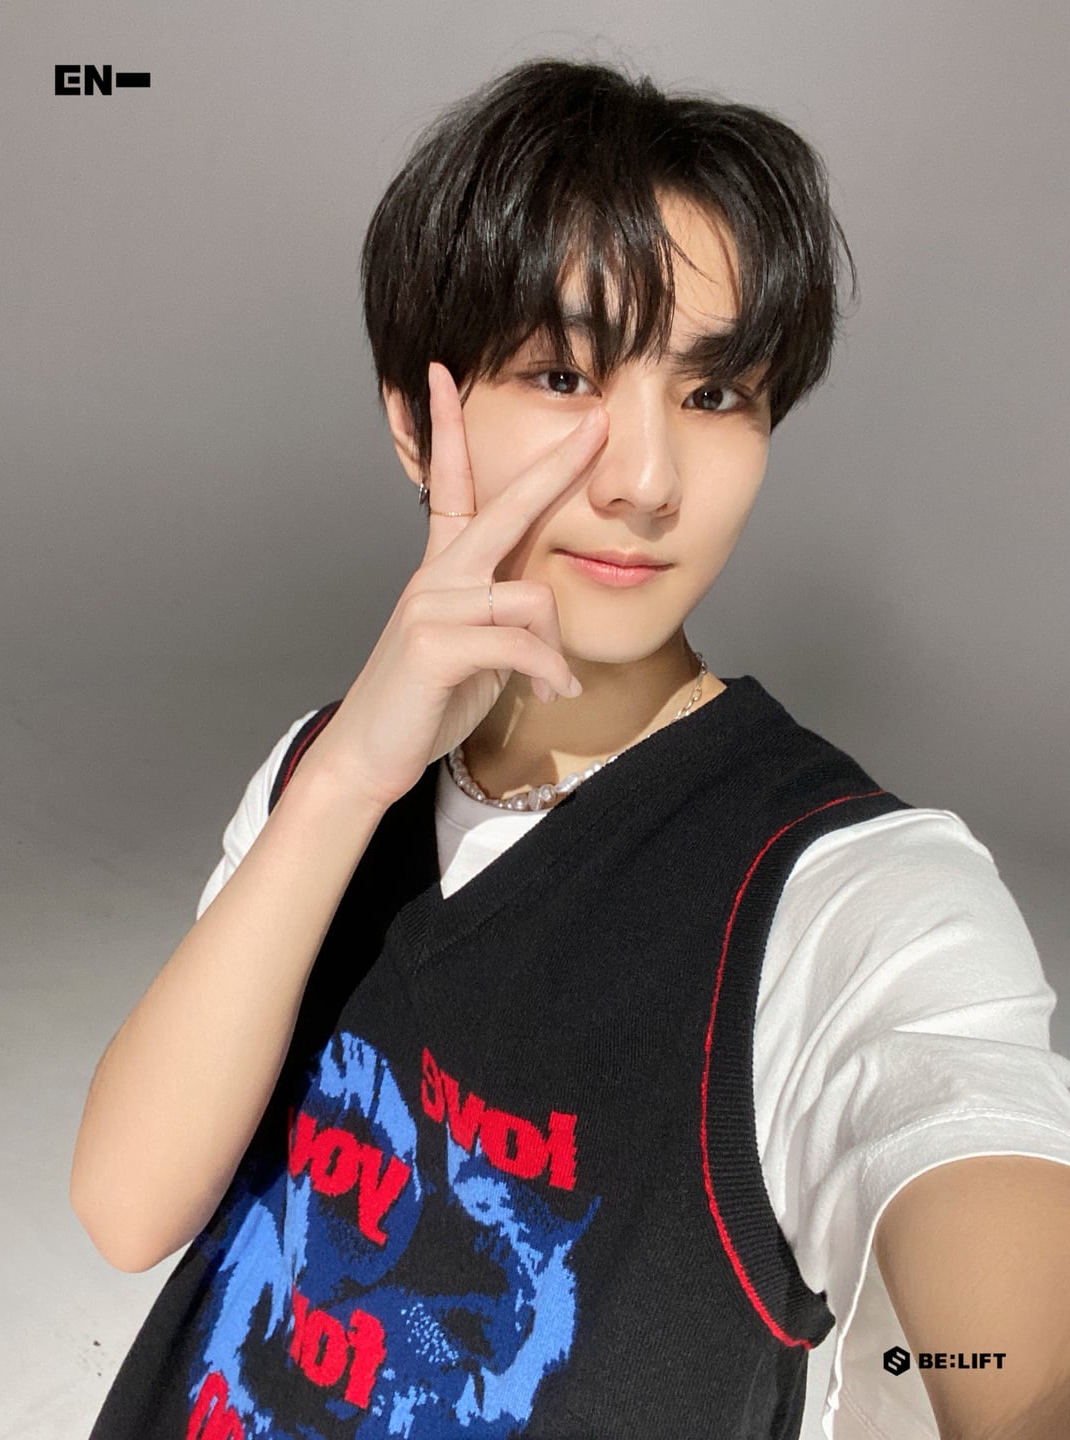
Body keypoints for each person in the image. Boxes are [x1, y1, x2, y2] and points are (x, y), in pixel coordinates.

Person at [71, 56, 1070, 1440]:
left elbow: (1018, 1364)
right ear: (416, 422)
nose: (648, 481)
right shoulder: (327, 778)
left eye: (716, 395)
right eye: (564, 374)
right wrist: (348, 778)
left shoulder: (854, 899)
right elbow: (128, 1208)